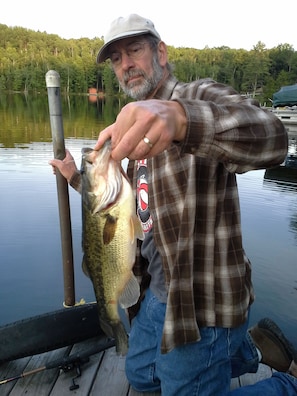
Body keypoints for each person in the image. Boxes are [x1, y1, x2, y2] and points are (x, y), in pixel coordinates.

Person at [50, 14, 297, 395]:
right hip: (157, 290)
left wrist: (181, 119)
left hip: (201, 300)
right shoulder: (132, 132)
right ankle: (246, 349)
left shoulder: (199, 97)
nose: (126, 64)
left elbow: (274, 139)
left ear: (161, 53)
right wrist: (75, 176)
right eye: (116, 59)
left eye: (134, 50)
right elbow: (121, 201)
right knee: (141, 376)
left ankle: (283, 386)